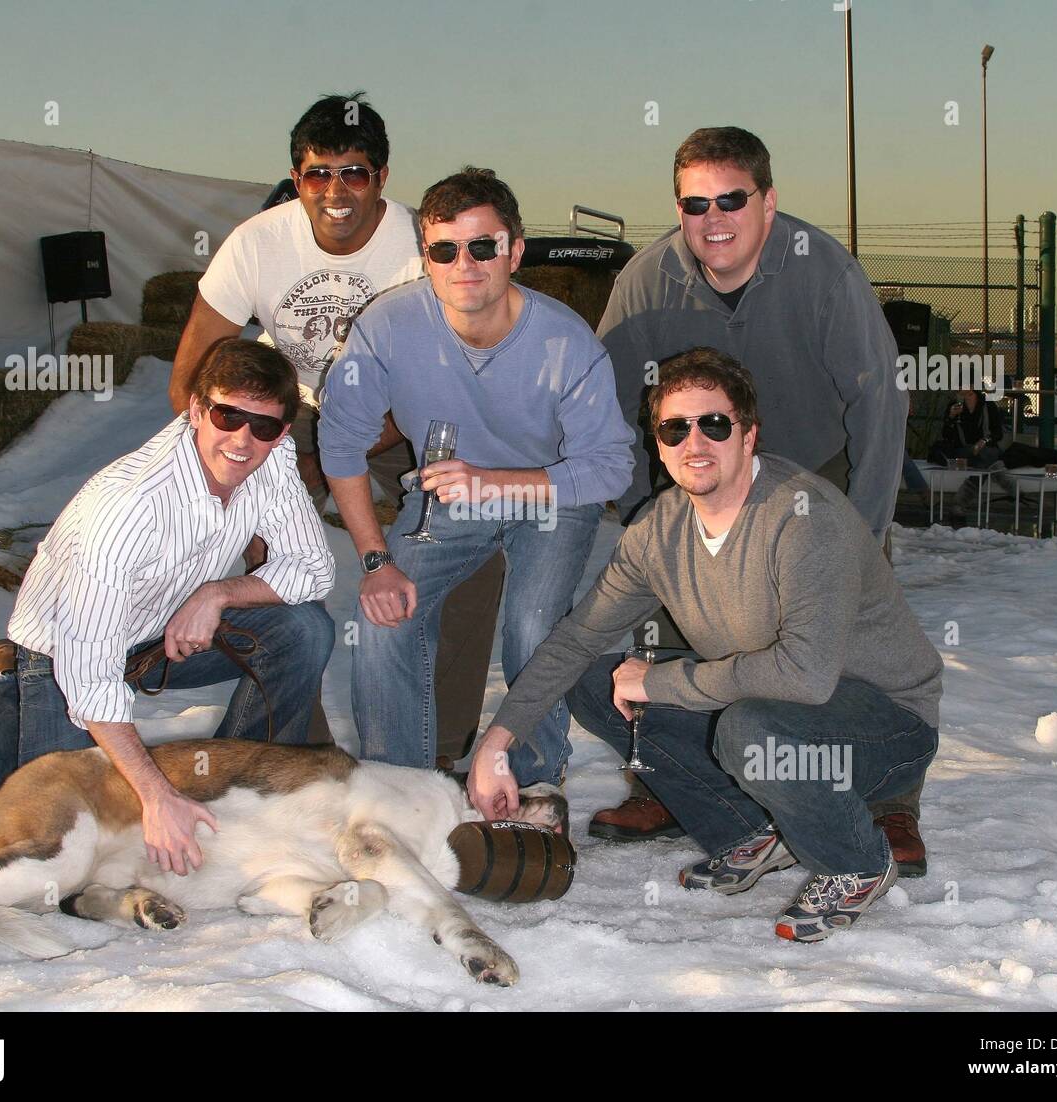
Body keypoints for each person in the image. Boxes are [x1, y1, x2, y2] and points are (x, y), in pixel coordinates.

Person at [471, 349, 942, 941]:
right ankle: (750, 831)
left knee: (749, 728)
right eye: (675, 428)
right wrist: (497, 742)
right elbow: (574, 639)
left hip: (883, 723)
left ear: (749, 435)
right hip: (775, 708)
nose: (695, 442)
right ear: (659, 445)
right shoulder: (659, 529)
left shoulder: (804, 517)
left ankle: (856, 862)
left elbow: (805, 677)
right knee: (596, 682)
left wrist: (663, 681)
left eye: (714, 424)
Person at [593, 126, 917, 854]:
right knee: (668, 628)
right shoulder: (645, 281)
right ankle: (666, 784)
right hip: (701, 477)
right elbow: (605, 403)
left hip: (812, 471)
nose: (712, 220)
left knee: (852, 635)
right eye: (693, 203)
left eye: (731, 200)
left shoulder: (824, 270)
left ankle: (890, 797)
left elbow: (879, 403)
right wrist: (644, 509)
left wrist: (860, 533)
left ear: (768, 202)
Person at [167, 91, 504, 759]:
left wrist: (336, 450)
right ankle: (298, 744)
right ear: (297, 179)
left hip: (399, 410)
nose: (336, 190)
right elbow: (192, 371)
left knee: (469, 538)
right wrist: (236, 451)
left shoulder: (419, 246)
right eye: (318, 173)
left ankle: (440, 741)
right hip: (288, 408)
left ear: (381, 176)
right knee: (270, 555)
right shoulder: (258, 244)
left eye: (354, 172)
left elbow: (449, 378)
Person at [0, 339, 336, 875]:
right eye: (227, 415)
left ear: (283, 432)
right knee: (64, 833)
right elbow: (93, 680)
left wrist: (215, 593)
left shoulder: (272, 456)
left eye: (263, 426)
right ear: (196, 409)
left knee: (305, 629)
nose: (243, 440)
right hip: (66, 655)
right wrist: (156, 796)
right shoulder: (126, 506)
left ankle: (235, 793)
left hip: (164, 630)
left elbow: (313, 569)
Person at [319, 167, 633, 783]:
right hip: (450, 492)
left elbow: (610, 468)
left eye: (483, 245)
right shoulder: (386, 326)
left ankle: (535, 781)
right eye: (445, 249)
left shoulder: (565, 342)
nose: (465, 263)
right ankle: (399, 791)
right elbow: (340, 446)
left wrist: (496, 483)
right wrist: (376, 563)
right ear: (426, 258)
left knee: (533, 624)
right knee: (385, 616)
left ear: (515, 251)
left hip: (550, 492)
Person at [929, 386, 1012, 520]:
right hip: (964, 450)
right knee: (989, 461)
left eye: (961, 385)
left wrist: (984, 441)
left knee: (988, 455)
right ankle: (999, 474)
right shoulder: (954, 406)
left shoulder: (987, 405)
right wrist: (951, 417)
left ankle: (959, 502)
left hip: (986, 449)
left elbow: (998, 433)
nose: (958, 389)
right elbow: (946, 435)